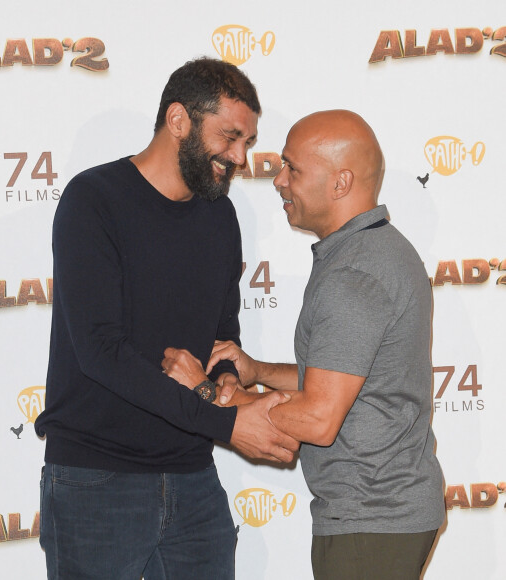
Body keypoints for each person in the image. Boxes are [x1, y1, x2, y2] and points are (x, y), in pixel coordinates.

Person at [34, 58, 298, 580]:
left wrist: (224, 386)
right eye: (230, 136)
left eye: (247, 140)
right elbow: (101, 353)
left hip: (193, 478)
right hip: (96, 478)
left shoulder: (221, 214)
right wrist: (224, 421)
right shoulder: (95, 200)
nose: (241, 156)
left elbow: (224, 336)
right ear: (178, 120)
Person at [162, 109, 446, 580]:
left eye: (293, 168)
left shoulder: (355, 274)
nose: (278, 181)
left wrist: (210, 395)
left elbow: (318, 417)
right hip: (385, 515)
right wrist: (256, 370)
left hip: (370, 522)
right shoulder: (374, 250)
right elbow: (348, 379)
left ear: (341, 183)